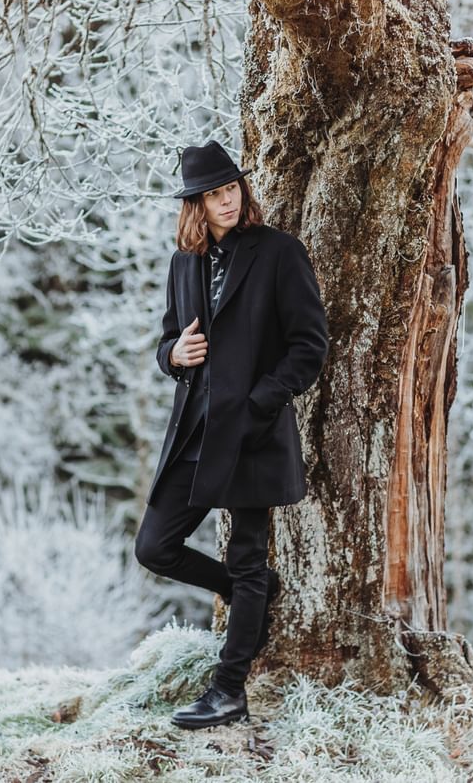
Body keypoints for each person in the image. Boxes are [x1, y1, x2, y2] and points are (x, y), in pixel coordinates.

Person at [134, 139, 329, 729]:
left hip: (253, 432)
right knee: (155, 547)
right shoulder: (183, 263)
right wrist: (173, 354)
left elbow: (309, 347)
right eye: (213, 194)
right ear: (194, 203)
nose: (226, 200)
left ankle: (228, 690)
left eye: (231, 188)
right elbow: (170, 339)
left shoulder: (278, 253)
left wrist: (260, 401)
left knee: (246, 558)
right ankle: (256, 596)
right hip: (195, 432)